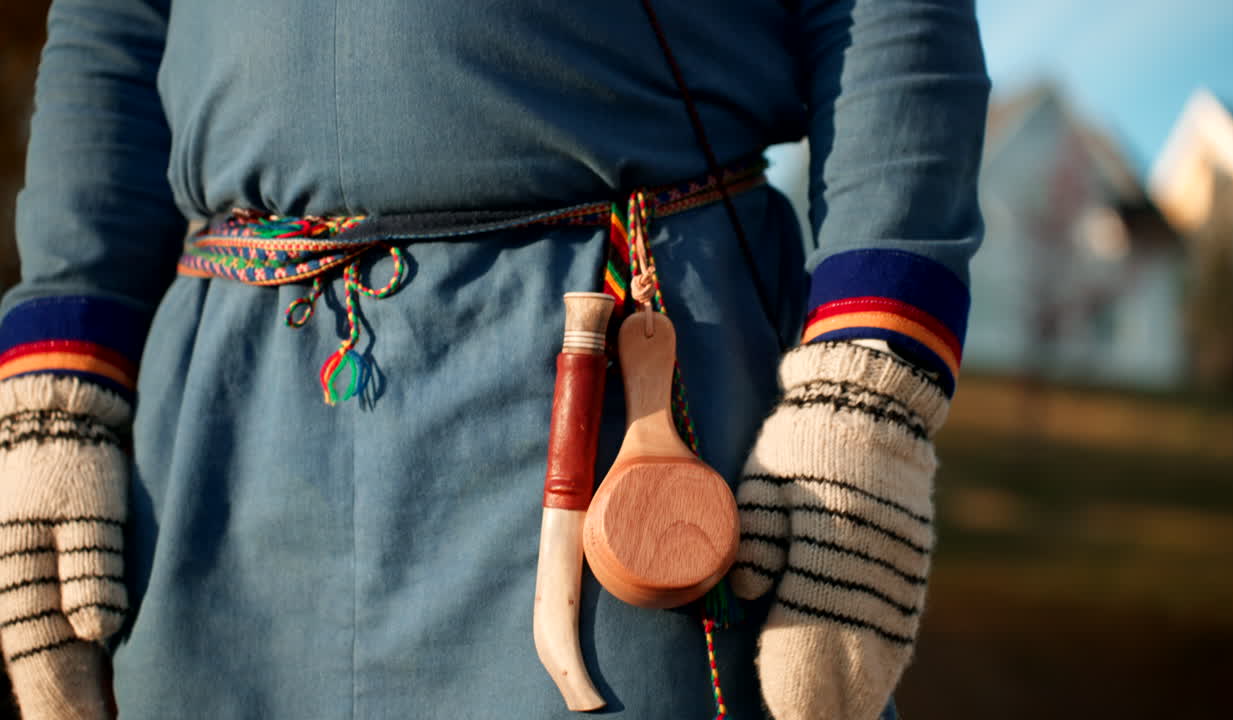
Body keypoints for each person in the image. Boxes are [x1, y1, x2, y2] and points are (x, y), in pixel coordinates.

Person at [0, 0, 988, 718]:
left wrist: (869, 391)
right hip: (230, 415)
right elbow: (113, 32)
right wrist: (60, 388)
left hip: (620, 360)